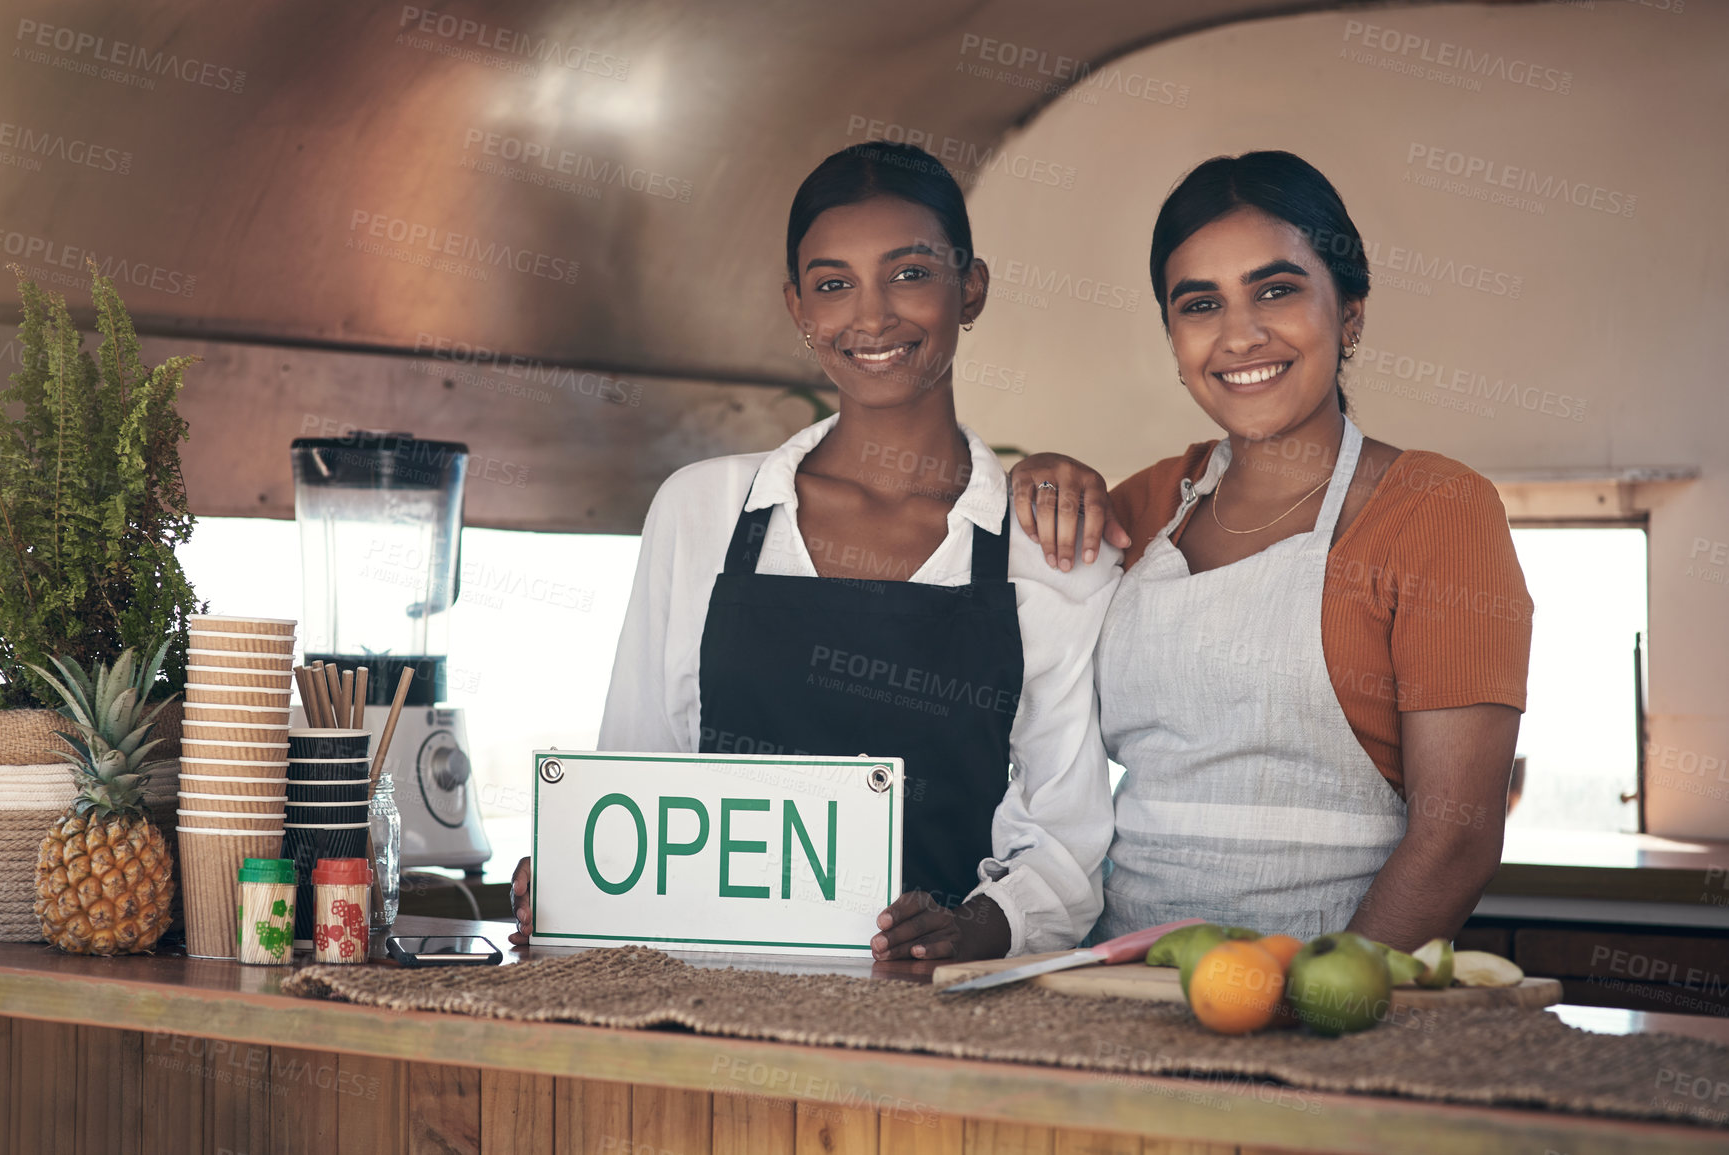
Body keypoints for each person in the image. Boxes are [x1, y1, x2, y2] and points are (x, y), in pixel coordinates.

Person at [512, 142, 1120, 960]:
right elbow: (638, 773)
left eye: (908, 273)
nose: (871, 318)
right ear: (799, 308)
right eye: (833, 285)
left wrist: (974, 926)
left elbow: (1065, 845)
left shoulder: (1045, 547)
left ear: (969, 288)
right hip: (702, 997)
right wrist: (574, 874)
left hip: (938, 1021)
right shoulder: (703, 510)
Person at [1011, 151, 1533, 949]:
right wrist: (1036, 481)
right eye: (1198, 304)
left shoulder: (1434, 510)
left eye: (1276, 290)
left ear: (1349, 312)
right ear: (1172, 336)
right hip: (1118, 984)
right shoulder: (1146, 504)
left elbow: (1456, 837)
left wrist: (1315, 1007)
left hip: (1337, 1006)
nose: (1239, 334)